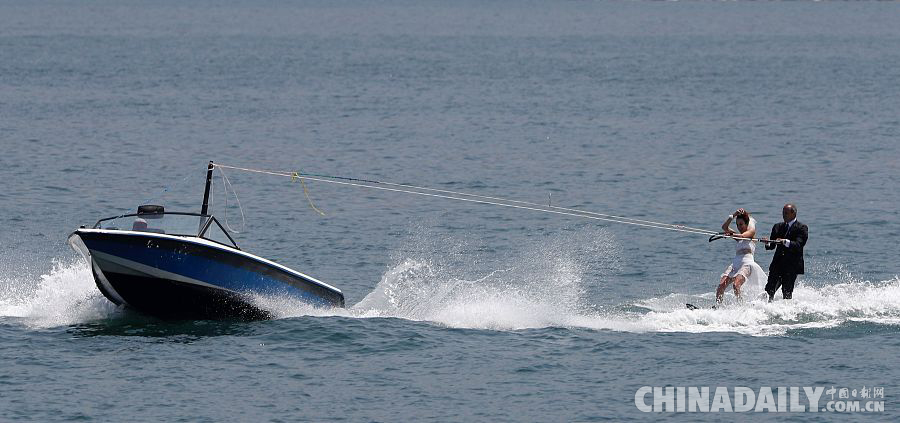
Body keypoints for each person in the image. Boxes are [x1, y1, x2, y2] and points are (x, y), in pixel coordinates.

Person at [716, 209, 767, 305]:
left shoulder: (751, 233)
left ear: (747, 224)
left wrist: (732, 234)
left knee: (736, 285)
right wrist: (734, 215)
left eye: (741, 224)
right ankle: (718, 307)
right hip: (735, 264)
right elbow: (724, 227)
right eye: (737, 225)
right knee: (721, 286)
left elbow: (743, 236)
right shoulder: (737, 235)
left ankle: (741, 306)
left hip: (747, 264)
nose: (739, 227)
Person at [762, 203, 808, 301]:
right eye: (783, 212)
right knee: (769, 290)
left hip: (792, 266)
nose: (783, 215)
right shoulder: (777, 227)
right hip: (777, 264)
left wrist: (784, 241)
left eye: (786, 213)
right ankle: (767, 308)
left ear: (793, 214)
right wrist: (767, 243)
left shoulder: (802, 228)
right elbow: (772, 246)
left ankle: (786, 312)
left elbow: (799, 245)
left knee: (787, 292)